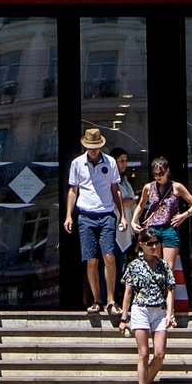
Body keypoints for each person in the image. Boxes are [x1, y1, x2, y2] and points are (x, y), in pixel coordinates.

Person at [62, 125, 126, 319]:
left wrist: (122, 215)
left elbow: (115, 189)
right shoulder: (77, 163)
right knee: (91, 259)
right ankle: (97, 300)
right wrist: (68, 215)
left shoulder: (111, 162)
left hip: (106, 213)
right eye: (90, 146)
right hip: (86, 215)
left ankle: (111, 300)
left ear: (101, 146)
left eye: (96, 146)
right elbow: (73, 190)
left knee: (110, 256)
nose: (93, 150)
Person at [131, 155, 192, 322]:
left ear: (167, 171)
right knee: (153, 266)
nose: (158, 177)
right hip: (153, 228)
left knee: (168, 268)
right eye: (155, 174)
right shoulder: (149, 187)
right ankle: (154, 304)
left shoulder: (176, 187)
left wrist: (183, 216)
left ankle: (170, 309)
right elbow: (141, 205)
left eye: (160, 173)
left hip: (169, 228)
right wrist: (134, 220)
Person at [120, 231, 175, 384]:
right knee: (143, 353)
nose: (154, 246)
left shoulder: (163, 265)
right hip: (141, 308)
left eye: (156, 243)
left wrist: (170, 313)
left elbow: (169, 290)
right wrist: (124, 317)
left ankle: (147, 381)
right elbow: (128, 292)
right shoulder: (134, 265)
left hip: (158, 310)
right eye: (150, 243)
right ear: (141, 244)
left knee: (159, 354)